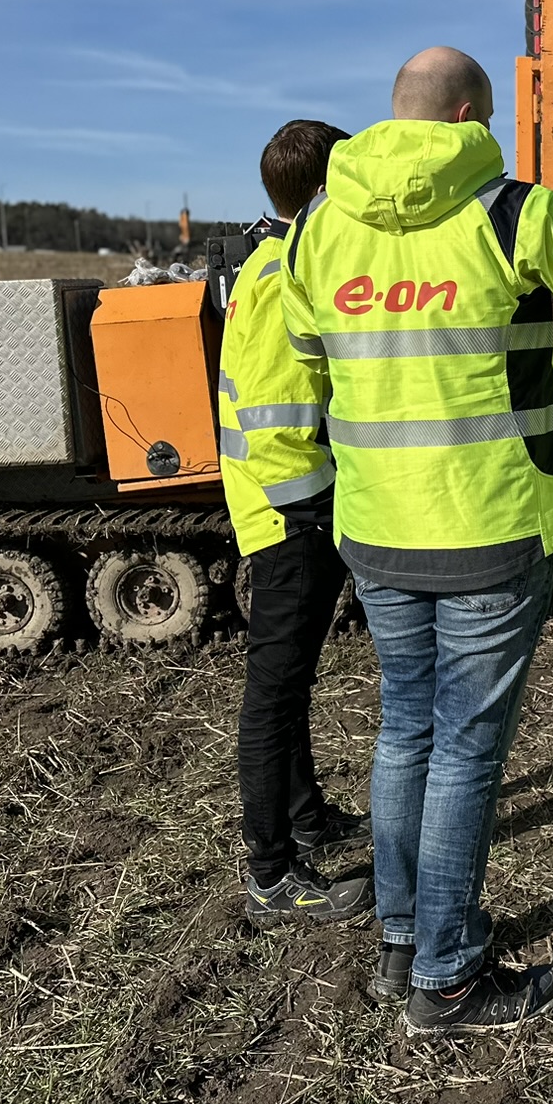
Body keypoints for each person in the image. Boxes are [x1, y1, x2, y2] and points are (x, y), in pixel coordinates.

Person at [282, 46, 553, 1032]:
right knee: (463, 751)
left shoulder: (318, 227)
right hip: (491, 526)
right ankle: (448, 977)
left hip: (376, 527)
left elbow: (304, 349)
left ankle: (401, 939)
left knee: (404, 729)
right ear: (466, 117)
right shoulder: (513, 214)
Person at [218, 119, 374, 928]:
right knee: (274, 693)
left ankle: (309, 821)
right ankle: (272, 877)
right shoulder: (285, 274)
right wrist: (321, 515)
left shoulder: (268, 261)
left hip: (278, 508)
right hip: (288, 516)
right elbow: (278, 424)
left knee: (290, 685)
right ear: (323, 191)